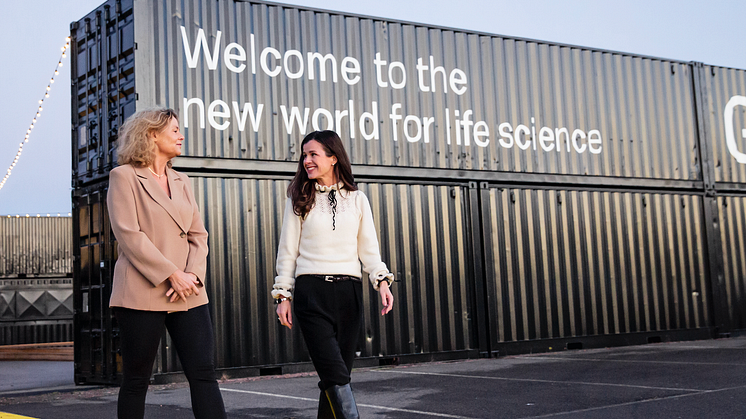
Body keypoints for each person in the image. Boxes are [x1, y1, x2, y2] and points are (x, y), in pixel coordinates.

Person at [107, 108, 226, 419]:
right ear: (151, 135)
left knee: (203, 372)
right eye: (174, 130)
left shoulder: (182, 180)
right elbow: (129, 234)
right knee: (137, 378)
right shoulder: (124, 177)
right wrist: (171, 274)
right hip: (143, 291)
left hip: (189, 291)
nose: (180, 135)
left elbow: (199, 234)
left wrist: (192, 276)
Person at [273, 130, 395, 419]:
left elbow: (369, 249)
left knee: (335, 378)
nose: (306, 160)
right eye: (304, 155)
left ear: (333, 157)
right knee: (335, 372)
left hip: (348, 294)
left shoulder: (357, 199)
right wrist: (283, 294)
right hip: (311, 294)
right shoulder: (299, 198)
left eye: (313, 154)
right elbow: (287, 251)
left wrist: (381, 281)